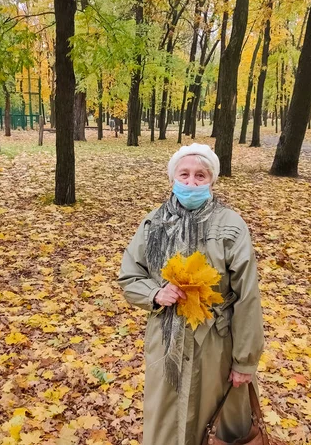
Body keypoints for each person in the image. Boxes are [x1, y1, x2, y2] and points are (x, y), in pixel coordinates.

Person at [118, 143, 265, 445]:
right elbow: (130, 276)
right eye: (183, 174)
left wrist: (244, 362)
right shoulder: (153, 223)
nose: (191, 182)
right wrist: (156, 293)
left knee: (214, 425)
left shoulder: (231, 227)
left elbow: (247, 296)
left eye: (201, 175)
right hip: (165, 344)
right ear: (172, 179)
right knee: (165, 422)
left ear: (212, 180)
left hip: (215, 347)